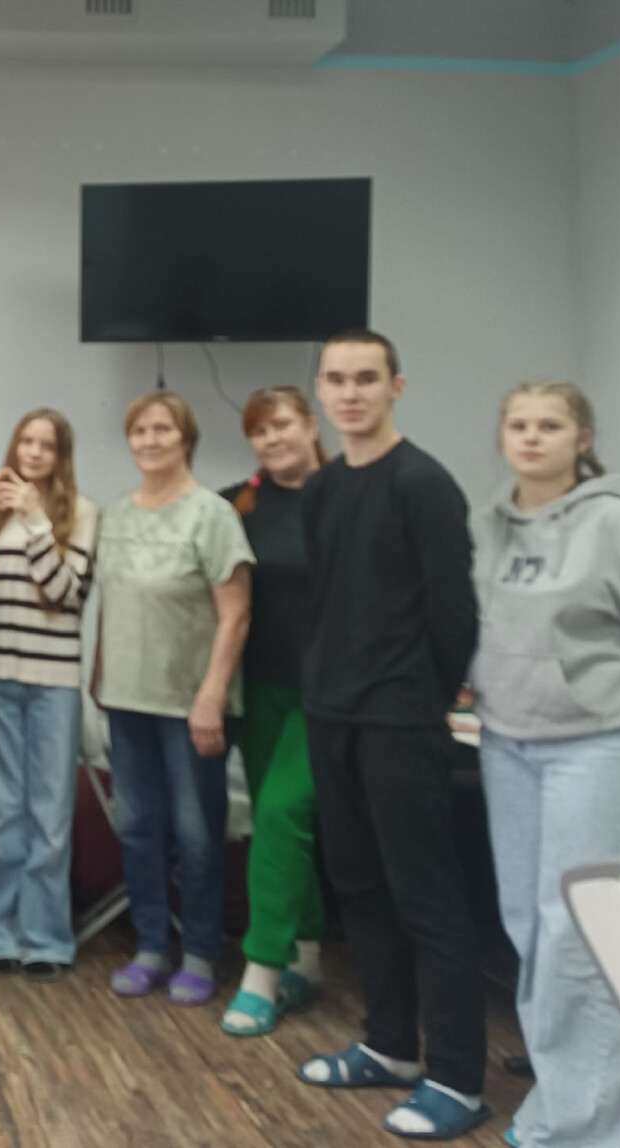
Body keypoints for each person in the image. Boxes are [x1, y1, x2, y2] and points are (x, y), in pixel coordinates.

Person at [471, 381, 620, 1148]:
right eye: (519, 424)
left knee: (585, 934)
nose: (532, 437)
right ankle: (562, 1101)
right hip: (507, 744)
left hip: (601, 744)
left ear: (583, 437)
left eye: (550, 424)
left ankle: (592, 1130)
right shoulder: (487, 526)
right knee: (531, 930)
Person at [293, 330, 487, 1140]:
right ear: (321, 390)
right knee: (360, 889)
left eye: (366, 378)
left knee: (426, 897)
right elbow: (328, 597)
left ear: (396, 388)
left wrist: (422, 697)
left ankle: (458, 1080)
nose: (350, 393)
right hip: (331, 713)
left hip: (402, 719)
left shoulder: (425, 484)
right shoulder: (323, 488)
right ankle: (390, 1046)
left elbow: (455, 614)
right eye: (336, 379)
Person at [93, 393, 254, 1007]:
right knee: (137, 826)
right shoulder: (115, 514)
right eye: (139, 430)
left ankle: (202, 953)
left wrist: (212, 696)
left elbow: (235, 615)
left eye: (162, 429)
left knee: (197, 831)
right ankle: (151, 947)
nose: (150, 440)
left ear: (186, 439)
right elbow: (111, 601)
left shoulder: (213, 515)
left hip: (191, 703)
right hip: (126, 697)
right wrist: (100, 672)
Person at [0, 409, 99, 982]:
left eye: (47, 445)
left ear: (61, 456)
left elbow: (66, 593)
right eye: (26, 442)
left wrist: (37, 522)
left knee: (49, 815)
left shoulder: (81, 513)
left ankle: (45, 938)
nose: (34, 453)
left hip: (54, 684)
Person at [217, 387, 331, 1036]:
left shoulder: (345, 497)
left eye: (283, 425)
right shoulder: (237, 504)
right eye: (260, 431)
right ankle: (305, 959)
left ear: (311, 426)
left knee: (282, 813)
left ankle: (261, 971)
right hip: (257, 687)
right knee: (278, 824)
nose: (273, 439)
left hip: (327, 695)